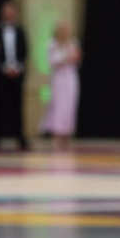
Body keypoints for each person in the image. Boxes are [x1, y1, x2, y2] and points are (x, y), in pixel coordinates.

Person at [40, 21, 81, 150]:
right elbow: (53, 61)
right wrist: (65, 58)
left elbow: (76, 58)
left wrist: (67, 57)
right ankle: (56, 137)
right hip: (58, 79)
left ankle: (67, 136)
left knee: (70, 107)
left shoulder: (73, 43)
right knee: (58, 106)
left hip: (70, 78)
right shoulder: (52, 44)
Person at [0, 0, 29, 150]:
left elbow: (24, 52)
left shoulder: (20, 31)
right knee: (0, 106)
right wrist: (4, 67)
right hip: (1, 75)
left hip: (17, 74)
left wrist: (17, 67)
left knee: (18, 107)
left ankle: (20, 139)